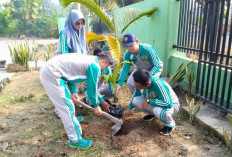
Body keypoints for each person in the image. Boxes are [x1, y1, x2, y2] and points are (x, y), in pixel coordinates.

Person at [40, 52, 113, 149]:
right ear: (103, 62)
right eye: (105, 67)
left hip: (53, 71)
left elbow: (70, 74)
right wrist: (96, 106)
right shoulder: (94, 66)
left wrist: (73, 92)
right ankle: (75, 140)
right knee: (67, 107)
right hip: (53, 74)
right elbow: (92, 90)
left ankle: (71, 119)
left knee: (67, 107)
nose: (103, 69)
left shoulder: (89, 60)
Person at [116, 33, 163, 121]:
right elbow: (125, 69)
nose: (129, 48)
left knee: (147, 86)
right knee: (130, 83)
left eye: (131, 45)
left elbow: (156, 65)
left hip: (154, 68)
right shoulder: (128, 54)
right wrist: (119, 83)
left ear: (137, 41)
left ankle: (154, 109)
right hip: (140, 69)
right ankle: (142, 102)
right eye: (127, 46)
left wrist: (148, 78)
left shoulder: (148, 49)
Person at [123, 69, 180, 136]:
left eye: (139, 86)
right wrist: (129, 108)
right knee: (135, 100)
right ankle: (152, 114)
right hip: (156, 102)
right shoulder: (142, 81)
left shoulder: (159, 85)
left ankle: (170, 125)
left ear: (148, 84)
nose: (137, 88)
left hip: (172, 106)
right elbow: (136, 94)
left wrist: (149, 101)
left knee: (157, 110)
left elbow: (168, 103)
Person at [82, 48, 114, 112]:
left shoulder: (106, 67)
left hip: (100, 88)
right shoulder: (93, 67)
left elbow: (111, 81)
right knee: (91, 102)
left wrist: (115, 92)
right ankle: (94, 101)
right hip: (89, 90)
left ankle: (100, 101)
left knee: (113, 89)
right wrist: (102, 102)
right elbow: (92, 89)